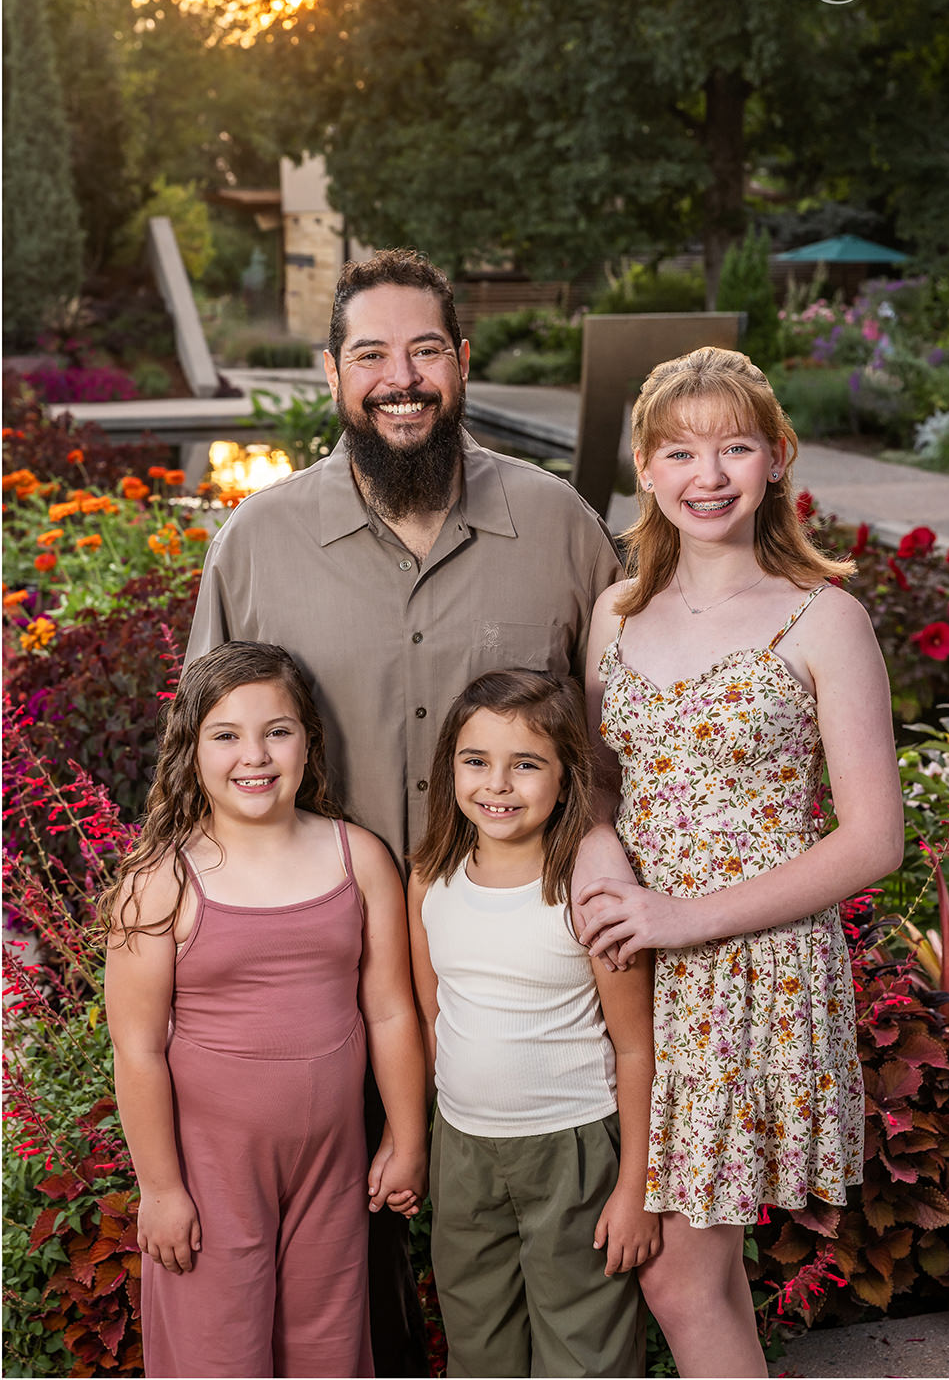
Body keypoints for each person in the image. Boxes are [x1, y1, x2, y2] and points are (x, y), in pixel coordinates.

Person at [184, 248, 622, 1373]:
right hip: (326, 974)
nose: (401, 376)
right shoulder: (257, 542)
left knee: (546, 1271)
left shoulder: (559, 525)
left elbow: (620, 739)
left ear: (462, 362)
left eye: (425, 349)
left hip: (526, 984)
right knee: (350, 1264)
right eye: (371, 353)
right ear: (331, 373)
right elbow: (205, 759)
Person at [576, 347, 904, 1378]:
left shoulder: (822, 614)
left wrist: (689, 915)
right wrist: (602, 871)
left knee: (679, 1270)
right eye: (679, 449)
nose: (705, 473)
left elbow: (871, 839)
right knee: (686, 1265)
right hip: (626, 965)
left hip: (741, 972)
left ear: (775, 458)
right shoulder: (614, 611)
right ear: (645, 465)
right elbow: (589, 781)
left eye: (733, 446)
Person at [103, 642, 427, 1379]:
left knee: (329, 1345)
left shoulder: (358, 858)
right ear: (191, 749)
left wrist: (407, 1138)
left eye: (277, 730)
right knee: (220, 1352)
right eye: (226, 734)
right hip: (210, 1176)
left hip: (331, 1167)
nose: (254, 754)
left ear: (309, 740)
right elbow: (138, 1048)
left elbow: (390, 1012)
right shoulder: (160, 881)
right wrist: (160, 1188)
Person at [408, 669, 657, 1379]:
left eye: (526, 764)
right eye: (477, 760)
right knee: (478, 1345)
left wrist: (633, 1186)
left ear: (566, 773)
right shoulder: (431, 877)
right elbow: (432, 1013)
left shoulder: (588, 888)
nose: (498, 784)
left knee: (585, 1350)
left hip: (574, 1150)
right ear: (449, 766)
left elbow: (636, 1047)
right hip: (465, 1149)